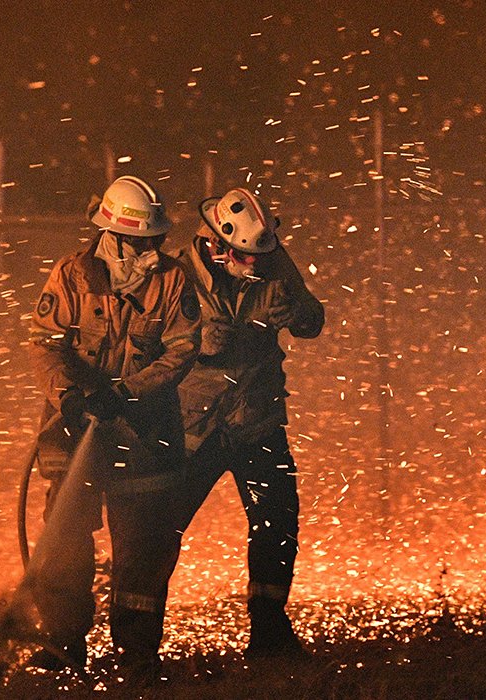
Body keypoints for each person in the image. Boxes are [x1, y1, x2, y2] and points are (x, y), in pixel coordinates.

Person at [27, 175, 201, 677]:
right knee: (64, 540)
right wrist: (70, 396)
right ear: (116, 235)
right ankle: (63, 646)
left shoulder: (172, 281)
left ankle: (137, 654)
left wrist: (126, 392)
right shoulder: (69, 276)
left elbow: (182, 349)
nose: (152, 249)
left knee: (144, 546)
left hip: (143, 432)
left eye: (156, 240)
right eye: (143, 241)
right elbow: (45, 346)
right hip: (73, 425)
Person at [170, 187, 324, 657]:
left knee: (277, 518)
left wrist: (296, 312)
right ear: (215, 244)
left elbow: (312, 320)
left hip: (256, 420)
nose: (254, 266)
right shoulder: (176, 277)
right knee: (160, 527)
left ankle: (270, 633)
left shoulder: (273, 263)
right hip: (193, 429)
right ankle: (138, 641)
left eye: (259, 257)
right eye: (243, 256)